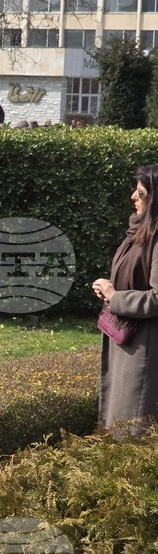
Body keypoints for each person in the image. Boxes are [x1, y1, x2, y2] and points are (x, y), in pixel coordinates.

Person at [93, 165, 158, 436]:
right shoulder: (138, 232)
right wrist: (108, 289)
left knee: (132, 429)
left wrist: (115, 296)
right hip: (125, 341)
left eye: (141, 193)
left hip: (143, 348)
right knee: (118, 424)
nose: (133, 196)